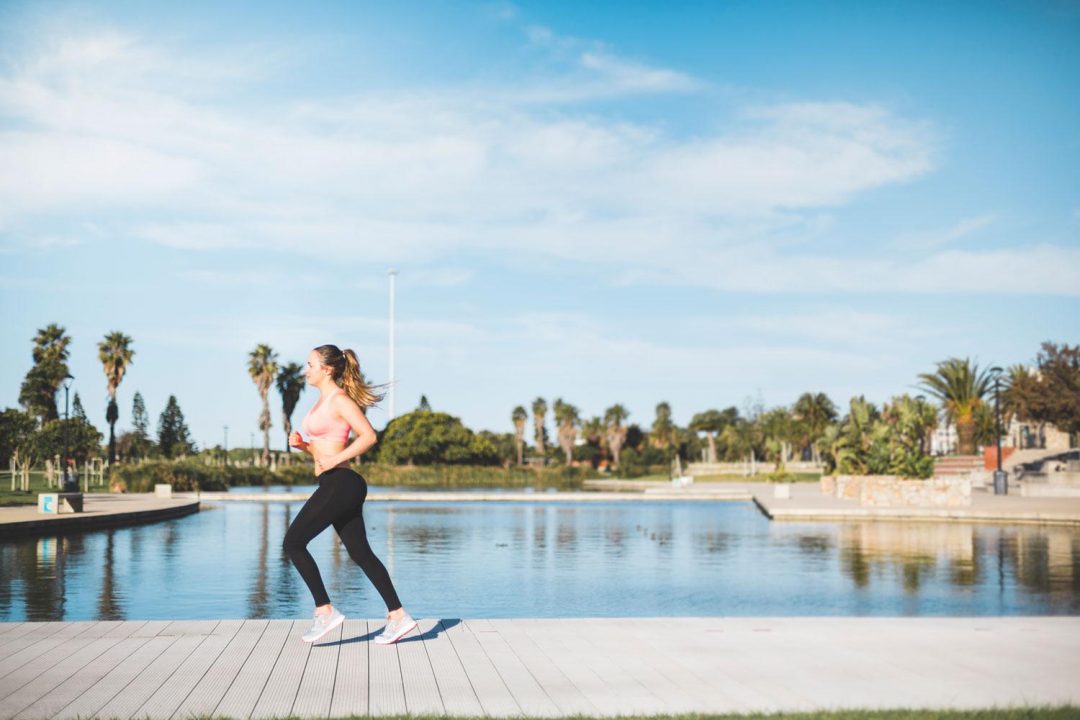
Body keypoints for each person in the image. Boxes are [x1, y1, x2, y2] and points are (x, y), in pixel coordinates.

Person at [284, 344, 417, 645]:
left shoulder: (339, 399)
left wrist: (334, 460)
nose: (306, 370)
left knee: (293, 542)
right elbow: (325, 448)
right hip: (334, 482)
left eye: (310, 365)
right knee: (360, 553)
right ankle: (398, 615)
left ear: (327, 369)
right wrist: (304, 446)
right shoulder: (323, 401)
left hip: (341, 483)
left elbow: (369, 436)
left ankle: (325, 610)